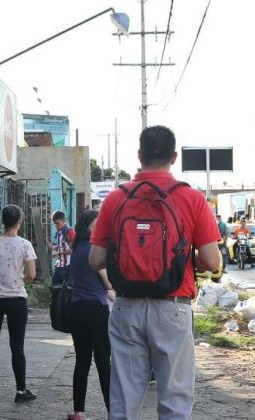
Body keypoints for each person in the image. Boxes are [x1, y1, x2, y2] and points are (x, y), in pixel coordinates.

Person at [89, 125, 221, 419]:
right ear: (174, 157)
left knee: (124, 401)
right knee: (174, 400)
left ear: (139, 155)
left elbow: (95, 260)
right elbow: (212, 261)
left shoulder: (115, 198)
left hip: (126, 307)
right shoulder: (191, 198)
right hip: (172, 308)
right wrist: (182, 260)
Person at [0, 205, 38, 402]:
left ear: (3, 221)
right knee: (17, 346)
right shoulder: (24, 244)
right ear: (19, 221)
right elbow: (31, 274)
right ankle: (21, 391)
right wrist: (21, 280)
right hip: (16, 300)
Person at [67, 210, 115, 420]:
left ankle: (79, 411)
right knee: (104, 361)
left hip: (77, 310)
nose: (99, 227)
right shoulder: (93, 251)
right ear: (87, 226)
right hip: (96, 310)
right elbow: (108, 283)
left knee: (82, 361)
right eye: (96, 223)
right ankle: (113, 411)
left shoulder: (76, 249)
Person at [48, 210, 75, 286]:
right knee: (55, 286)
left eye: (57, 223)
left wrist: (59, 253)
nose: (56, 225)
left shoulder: (70, 231)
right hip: (59, 265)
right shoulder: (59, 232)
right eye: (55, 224)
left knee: (69, 288)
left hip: (68, 266)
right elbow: (62, 246)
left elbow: (74, 249)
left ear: (63, 221)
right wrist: (53, 247)